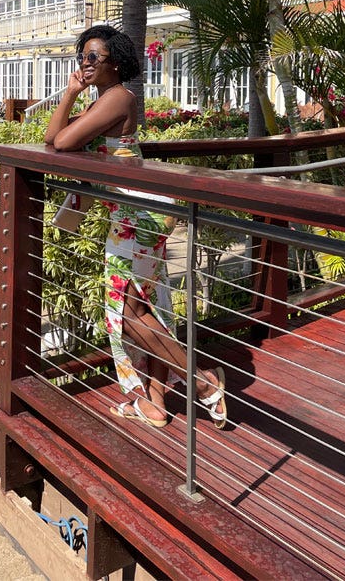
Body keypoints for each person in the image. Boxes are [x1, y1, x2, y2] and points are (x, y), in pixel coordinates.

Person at [45, 24, 227, 430]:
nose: (85, 63)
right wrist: (71, 94)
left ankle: (202, 382)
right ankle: (156, 401)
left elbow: (62, 145)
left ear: (117, 63)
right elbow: (52, 135)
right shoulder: (103, 101)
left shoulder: (119, 98)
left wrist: (74, 95)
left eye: (95, 57)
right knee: (146, 308)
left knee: (126, 313)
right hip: (134, 214)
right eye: (82, 56)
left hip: (137, 217)